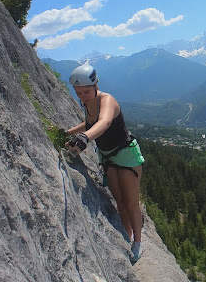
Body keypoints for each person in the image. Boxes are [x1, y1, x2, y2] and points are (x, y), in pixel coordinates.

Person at [65, 64, 145, 263]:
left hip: (126, 154)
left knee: (131, 202)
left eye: (85, 91)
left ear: (96, 85)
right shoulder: (88, 103)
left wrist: (85, 138)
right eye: (78, 92)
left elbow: (104, 122)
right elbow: (90, 123)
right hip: (108, 156)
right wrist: (69, 133)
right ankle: (127, 235)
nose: (82, 96)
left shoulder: (106, 100)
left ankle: (138, 243)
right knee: (119, 201)